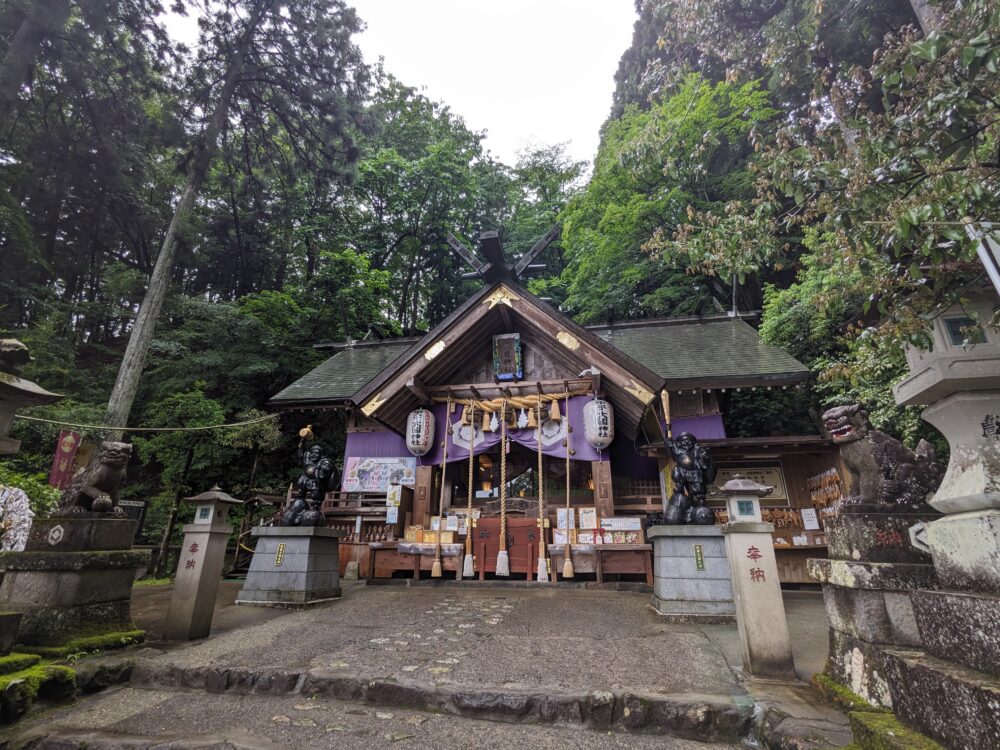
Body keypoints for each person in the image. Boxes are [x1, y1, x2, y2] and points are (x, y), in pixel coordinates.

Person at [664, 432, 716, 524]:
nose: (686, 442)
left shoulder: (697, 450)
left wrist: (704, 457)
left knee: (698, 494)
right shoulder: (677, 450)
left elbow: (705, 462)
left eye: (688, 440)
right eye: (683, 441)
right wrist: (668, 433)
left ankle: (700, 509)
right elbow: (669, 445)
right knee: (679, 490)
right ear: (679, 443)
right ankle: (683, 508)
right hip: (681, 471)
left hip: (695, 473)